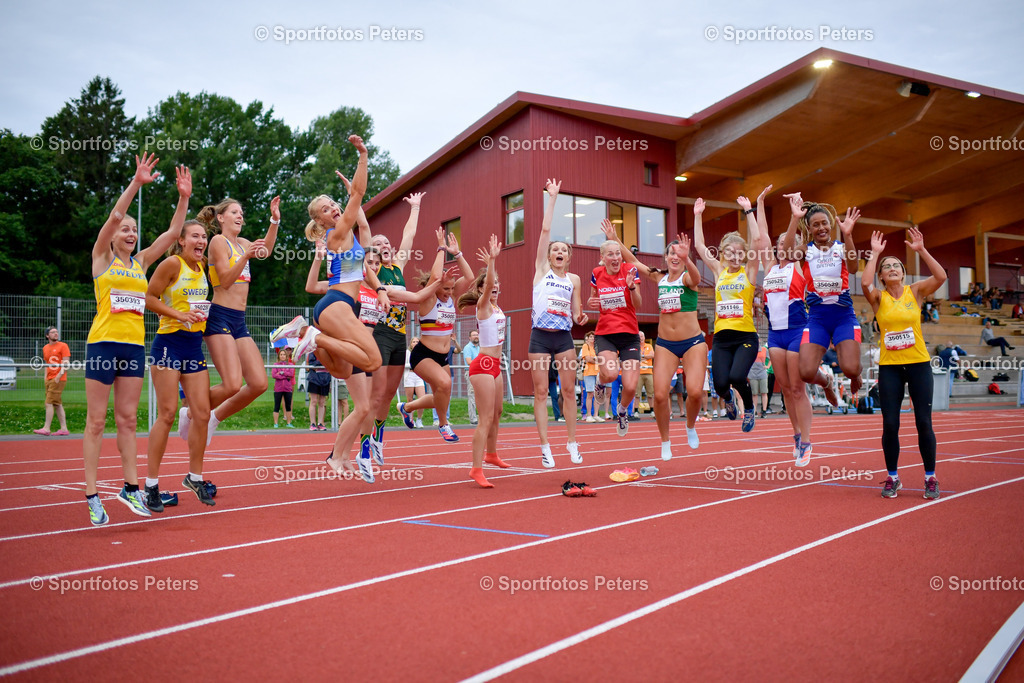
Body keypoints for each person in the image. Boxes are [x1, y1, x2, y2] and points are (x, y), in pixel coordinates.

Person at [82, 156, 190, 526]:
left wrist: (183, 198)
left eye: (133, 230)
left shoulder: (141, 263)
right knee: (96, 422)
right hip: (102, 346)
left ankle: (130, 488)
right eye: (124, 229)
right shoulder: (101, 259)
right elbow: (114, 215)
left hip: (133, 348)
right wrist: (136, 184)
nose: (130, 232)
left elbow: (174, 234)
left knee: (127, 420)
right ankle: (93, 495)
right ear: (112, 236)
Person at [600, 219, 705, 455]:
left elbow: (697, 279)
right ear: (666, 257)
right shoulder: (660, 277)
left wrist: (689, 259)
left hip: (692, 343)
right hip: (666, 344)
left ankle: (690, 426)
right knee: (658, 395)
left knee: (695, 391)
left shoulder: (688, 279)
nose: (675, 257)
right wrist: (614, 239)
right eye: (672, 253)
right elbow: (634, 261)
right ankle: (665, 440)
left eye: (680, 253)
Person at [186, 190, 280, 446]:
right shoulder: (218, 242)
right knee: (231, 385)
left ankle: (213, 417)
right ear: (221, 218)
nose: (240, 216)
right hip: (219, 317)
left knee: (259, 383)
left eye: (242, 213)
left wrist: (274, 221)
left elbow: (266, 252)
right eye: (235, 212)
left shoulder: (244, 244)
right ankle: (191, 409)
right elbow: (225, 281)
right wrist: (246, 257)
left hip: (239, 320)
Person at [862, 227, 946, 499]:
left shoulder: (916, 291)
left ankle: (930, 477)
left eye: (896, 265)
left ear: (903, 272)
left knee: (924, 422)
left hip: (919, 364)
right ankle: (893, 477)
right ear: (882, 276)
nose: (892, 268)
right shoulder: (878, 298)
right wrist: (875, 254)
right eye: (887, 267)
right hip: (890, 368)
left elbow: (941, 276)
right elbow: (864, 284)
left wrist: (921, 250)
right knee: (890, 423)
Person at [144, 218, 216, 510]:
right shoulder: (172, 264)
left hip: (192, 346)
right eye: (195, 236)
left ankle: (194, 477)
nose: (201, 241)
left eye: (204, 237)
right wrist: (177, 314)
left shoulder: (204, 268)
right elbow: (148, 297)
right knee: (168, 413)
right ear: (182, 240)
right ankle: (150, 486)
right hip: (168, 345)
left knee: (202, 412)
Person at [780, 192, 864, 398]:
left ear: (831, 225)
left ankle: (855, 376)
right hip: (817, 318)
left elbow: (853, 268)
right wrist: (795, 218)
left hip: (843, 316)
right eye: (815, 225)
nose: (821, 228)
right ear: (809, 229)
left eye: (824, 223)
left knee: (851, 368)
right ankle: (827, 382)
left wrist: (849, 234)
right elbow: (786, 254)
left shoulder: (841, 248)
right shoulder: (806, 251)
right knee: (806, 372)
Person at [529, 179, 587, 468]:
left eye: (564, 250)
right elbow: (545, 230)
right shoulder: (541, 270)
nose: (559, 252)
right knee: (541, 392)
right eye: (555, 250)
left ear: (569, 256)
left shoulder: (574, 280)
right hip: (539, 337)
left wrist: (581, 317)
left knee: (568, 391)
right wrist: (552, 197)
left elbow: (576, 314)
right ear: (550, 255)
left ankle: (572, 442)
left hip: (563, 338)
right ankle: (544, 446)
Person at [694, 194, 765, 432]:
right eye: (730, 253)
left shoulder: (749, 272)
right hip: (722, 338)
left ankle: (749, 409)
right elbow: (700, 247)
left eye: (739, 253)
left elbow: (756, 239)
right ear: (723, 253)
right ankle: (729, 399)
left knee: (736, 376)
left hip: (745, 337)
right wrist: (698, 215)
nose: (735, 257)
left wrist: (748, 211)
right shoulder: (718, 271)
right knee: (721, 384)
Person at [398, 228, 475, 442]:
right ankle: (443, 425)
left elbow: (469, 277)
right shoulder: (428, 300)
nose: (449, 292)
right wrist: (441, 249)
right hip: (423, 355)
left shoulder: (450, 298)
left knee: (442, 395)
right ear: (436, 286)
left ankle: (407, 407)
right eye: (445, 288)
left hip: (443, 356)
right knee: (445, 385)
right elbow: (434, 276)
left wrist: (457, 254)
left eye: (451, 289)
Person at [367, 192, 426, 464]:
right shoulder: (373, 272)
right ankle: (364, 442)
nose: (385, 245)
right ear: (372, 252)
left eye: (387, 242)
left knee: (390, 394)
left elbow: (409, 237)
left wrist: (415, 207)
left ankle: (378, 435)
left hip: (400, 335)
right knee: (376, 393)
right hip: (379, 333)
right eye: (378, 244)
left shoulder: (398, 265)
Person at [457, 234, 510, 487]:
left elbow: (492, 283)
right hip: (482, 365)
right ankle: (475, 468)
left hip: (496, 366)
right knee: (485, 418)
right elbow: (488, 284)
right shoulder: (483, 305)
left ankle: (491, 454)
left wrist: (492, 269)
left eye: (499, 283)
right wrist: (491, 262)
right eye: (491, 284)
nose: (495, 286)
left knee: (497, 413)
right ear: (481, 290)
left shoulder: (498, 309)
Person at [588, 226, 643, 439]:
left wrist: (631, 288)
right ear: (602, 258)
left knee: (630, 386)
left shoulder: (630, 270)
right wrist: (591, 302)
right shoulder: (596, 273)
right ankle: (601, 383)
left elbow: (638, 303)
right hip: (606, 334)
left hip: (629, 334)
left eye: (617, 253)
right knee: (610, 374)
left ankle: (621, 411)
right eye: (610, 254)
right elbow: (594, 300)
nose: (615, 257)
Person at [35, 326, 71, 436]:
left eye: (56, 332)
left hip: (58, 379)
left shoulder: (63, 346)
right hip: (49, 379)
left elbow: (66, 363)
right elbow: (47, 364)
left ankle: (46, 428)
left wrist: (59, 376)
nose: (56, 333)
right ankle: (64, 429)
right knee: (57, 404)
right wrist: (45, 378)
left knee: (48, 403)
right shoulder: (45, 348)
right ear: (47, 336)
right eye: (52, 332)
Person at [578, 331, 601, 422]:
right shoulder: (585, 346)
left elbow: (602, 358)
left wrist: (596, 359)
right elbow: (587, 359)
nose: (592, 338)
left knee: (598, 394)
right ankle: (588, 415)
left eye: (593, 337)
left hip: (598, 372)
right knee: (590, 394)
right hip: (589, 373)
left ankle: (596, 414)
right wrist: (596, 360)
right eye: (590, 336)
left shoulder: (597, 347)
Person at [404, 338, 427, 428]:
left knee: (422, 399)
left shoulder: (422, 352)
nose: (415, 343)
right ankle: (410, 419)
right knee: (410, 400)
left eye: (417, 342)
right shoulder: (407, 353)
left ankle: (419, 419)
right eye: (414, 342)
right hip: (409, 376)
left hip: (419, 376)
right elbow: (404, 364)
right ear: (410, 344)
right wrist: (413, 365)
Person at [271, 346, 296, 428]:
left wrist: (281, 373)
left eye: (284, 355)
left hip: (287, 388)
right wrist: (284, 374)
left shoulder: (291, 365)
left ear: (286, 356)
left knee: (288, 405)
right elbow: (274, 375)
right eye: (281, 354)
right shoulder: (275, 365)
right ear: (279, 356)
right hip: (278, 388)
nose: (282, 356)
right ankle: (275, 423)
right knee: (277, 405)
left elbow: (291, 374)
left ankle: (288, 423)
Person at [463, 329, 481, 425]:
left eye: (477, 334)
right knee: (472, 396)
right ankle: (473, 418)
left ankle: (482, 417)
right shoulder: (467, 347)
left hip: (481, 373)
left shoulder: (480, 348)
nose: (476, 336)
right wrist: (481, 362)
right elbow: (469, 361)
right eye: (473, 335)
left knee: (481, 396)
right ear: (470, 337)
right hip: (471, 373)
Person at [306, 356, 330, 430]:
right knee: (314, 401)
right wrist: (323, 362)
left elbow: (331, 362)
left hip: (325, 379)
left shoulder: (328, 351)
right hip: (314, 378)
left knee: (322, 402)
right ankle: (312, 423)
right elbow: (311, 363)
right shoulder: (313, 350)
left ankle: (320, 423)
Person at [747, 346, 769, 418]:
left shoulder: (764, 350)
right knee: (754, 393)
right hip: (753, 373)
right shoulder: (750, 349)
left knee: (764, 392)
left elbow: (771, 358)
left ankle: (764, 410)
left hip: (762, 373)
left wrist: (768, 366)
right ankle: (755, 411)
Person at [637, 331, 655, 415]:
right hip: (638, 373)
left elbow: (652, 355)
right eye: (639, 336)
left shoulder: (649, 346)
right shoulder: (635, 346)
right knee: (637, 393)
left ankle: (652, 410)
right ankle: (636, 411)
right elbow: (636, 357)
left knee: (650, 393)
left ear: (644, 337)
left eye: (642, 336)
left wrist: (642, 356)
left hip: (648, 372)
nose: (641, 338)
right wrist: (645, 357)